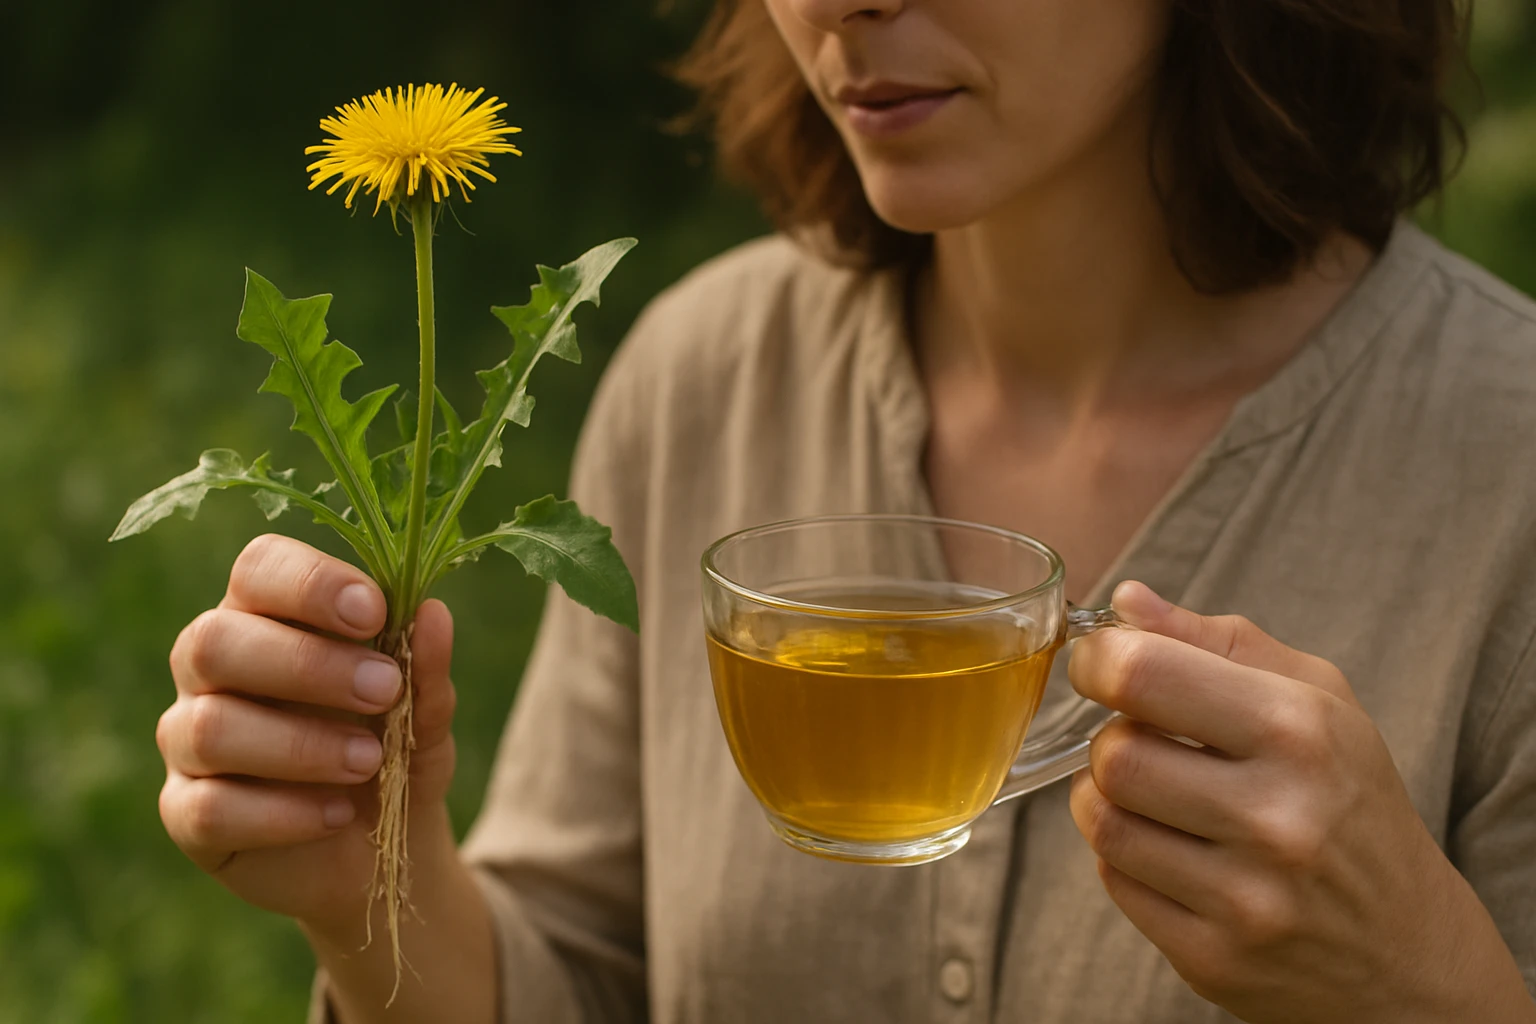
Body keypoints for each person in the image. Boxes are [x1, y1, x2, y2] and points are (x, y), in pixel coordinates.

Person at [153, 0, 1536, 1021]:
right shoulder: (701, 380)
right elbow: (578, 983)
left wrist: (1422, 980)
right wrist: (369, 892)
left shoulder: (1505, 470)